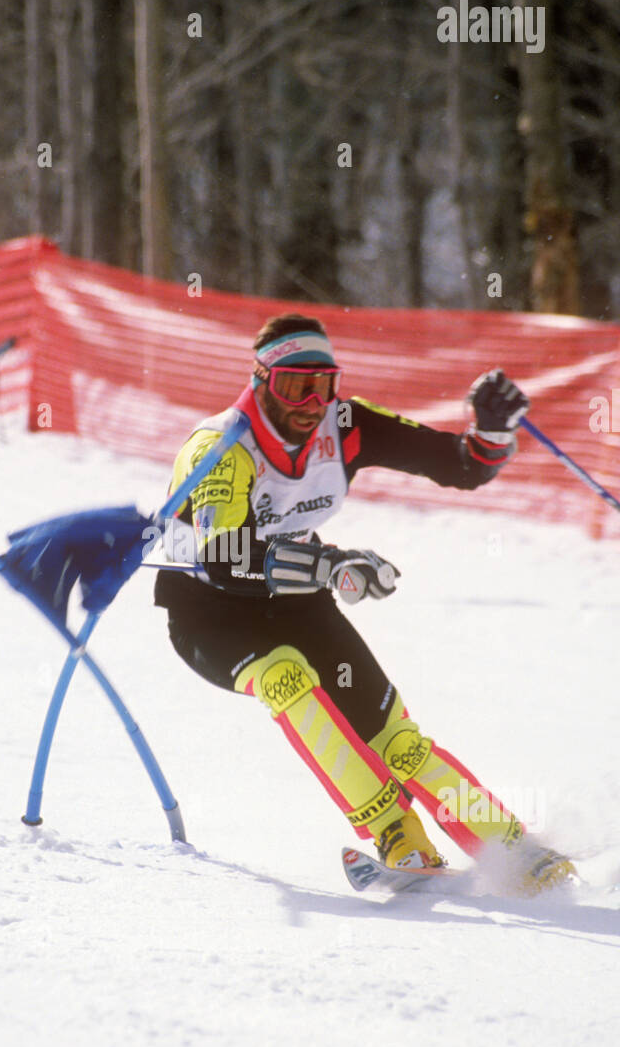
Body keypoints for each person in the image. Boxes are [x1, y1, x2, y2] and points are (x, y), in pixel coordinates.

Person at [154, 312, 575, 895]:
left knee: (394, 738)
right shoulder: (222, 446)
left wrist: (494, 430)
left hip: (295, 599)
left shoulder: (346, 424)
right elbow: (225, 558)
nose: (311, 402)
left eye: (323, 384)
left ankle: (509, 847)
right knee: (286, 677)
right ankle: (396, 834)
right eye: (293, 386)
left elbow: (462, 465)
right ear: (260, 381)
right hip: (209, 614)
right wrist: (329, 563)